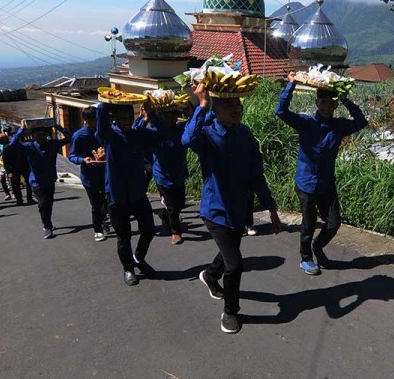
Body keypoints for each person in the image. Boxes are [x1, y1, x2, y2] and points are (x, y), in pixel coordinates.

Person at [183, 83, 281, 334]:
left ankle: (210, 275)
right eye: (228, 105)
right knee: (235, 264)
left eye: (237, 104)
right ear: (216, 109)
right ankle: (230, 312)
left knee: (230, 253)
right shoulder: (206, 135)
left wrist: (271, 208)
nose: (235, 109)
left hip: (239, 209)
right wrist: (202, 104)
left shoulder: (245, 135)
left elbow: (256, 174)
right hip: (215, 210)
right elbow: (187, 139)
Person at [276, 74, 368, 275]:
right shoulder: (305, 123)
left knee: (334, 223)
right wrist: (290, 85)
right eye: (323, 102)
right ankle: (306, 258)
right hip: (306, 183)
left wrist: (345, 100)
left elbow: (362, 122)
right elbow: (281, 111)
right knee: (308, 225)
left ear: (335, 106)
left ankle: (318, 247)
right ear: (316, 102)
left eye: (331, 103)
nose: (326, 106)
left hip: (326, 183)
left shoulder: (339, 126)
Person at [96, 100, 162, 286]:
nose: (126, 121)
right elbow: (101, 117)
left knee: (148, 230)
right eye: (122, 118)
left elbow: (163, 133)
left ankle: (138, 258)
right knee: (123, 237)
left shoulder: (139, 134)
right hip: (116, 196)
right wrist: (108, 103)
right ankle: (128, 269)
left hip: (137, 193)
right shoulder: (109, 136)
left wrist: (152, 114)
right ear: (114, 119)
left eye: (129, 117)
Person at [133, 106, 189, 245]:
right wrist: (143, 118)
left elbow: (196, 123)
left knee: (180, 204)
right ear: (159, 117)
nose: (169, 118)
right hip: (162, 175)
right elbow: (136, 133)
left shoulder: (181, 128)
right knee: (172, 206)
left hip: (179, 173)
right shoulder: (153, 132)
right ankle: (176, 232)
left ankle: (163, 215)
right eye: (165, 115)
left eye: (172, 115)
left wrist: (191, 111)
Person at [11, 123, 71, 239]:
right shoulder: (29, 146)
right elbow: (13, 144)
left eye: (43, 135)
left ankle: (48, 222)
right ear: (33, 136)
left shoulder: (52, 144)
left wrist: (59, 128)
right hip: (36, 181)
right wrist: (21, 130)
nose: (41, 137)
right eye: (38, 135)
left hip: (50, 179)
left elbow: (69, 138)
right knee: (43, 203)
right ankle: (47, 227)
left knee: (49, 203)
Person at [68, 107, 109, 242]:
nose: (98, 122)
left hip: (106, 173)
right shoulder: (79, 136)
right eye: (95, 119)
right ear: (87, 121)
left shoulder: (104, 132)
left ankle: (103, 220)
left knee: (108, 201)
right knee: (96, 204)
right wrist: (83, 160)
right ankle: (98, 230)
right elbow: (72, 156)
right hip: (89, 176)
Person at [3, 126, 35, 206]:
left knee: (29, 182)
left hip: (24, 167)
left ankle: (29, 198)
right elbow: (5, 161)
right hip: (13, 169)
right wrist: (8, 171)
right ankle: (19, 199)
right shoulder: (7, 148)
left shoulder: (23, 146)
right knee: (15, 185)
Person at [0, 134, 13, 201]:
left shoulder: (10, 145)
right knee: (2, 179)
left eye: (1, 139)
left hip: (10, 164)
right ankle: (7, 193)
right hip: (2, 165)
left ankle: (14, 192)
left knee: (11, 179)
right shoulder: (0, 146)